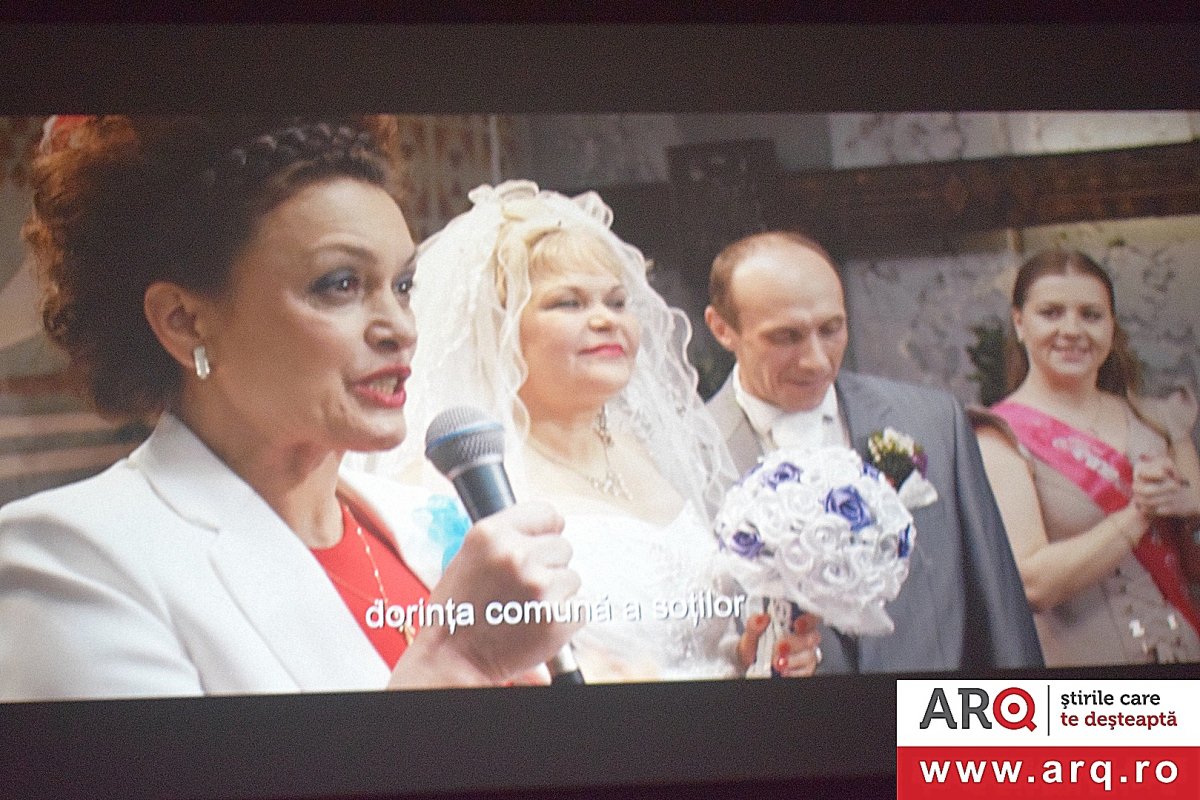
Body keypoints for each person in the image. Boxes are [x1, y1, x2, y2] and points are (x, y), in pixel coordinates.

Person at [0, 116, 581, 701]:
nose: (400, 329)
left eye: (402, 286)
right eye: (340, 284)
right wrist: (457, 659)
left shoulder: (433, 522)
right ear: (184, 321)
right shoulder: (71, 558)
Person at [363, 180, 822, 682]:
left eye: (618, 302)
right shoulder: (456, 486)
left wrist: (747, 655)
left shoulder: (655, 452)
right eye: (569, 303)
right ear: (502, 328)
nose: (605, 319)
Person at [703, 230, 1043, 673]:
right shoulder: (691, 455)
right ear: (722, 329)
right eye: (786, 337)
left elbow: (1000, 616)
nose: (817, 360)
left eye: (831, 329)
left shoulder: (932, 422)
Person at [971, 248, 1200, 666]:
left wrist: (1188, 504)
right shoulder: (1000, 436)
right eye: (1051, 313)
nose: (1072, 330)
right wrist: (1138, 513)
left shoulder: (1158, 419)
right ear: (1019, 323)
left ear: (1112, 326)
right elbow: (1033, 584)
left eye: (1091, 315)